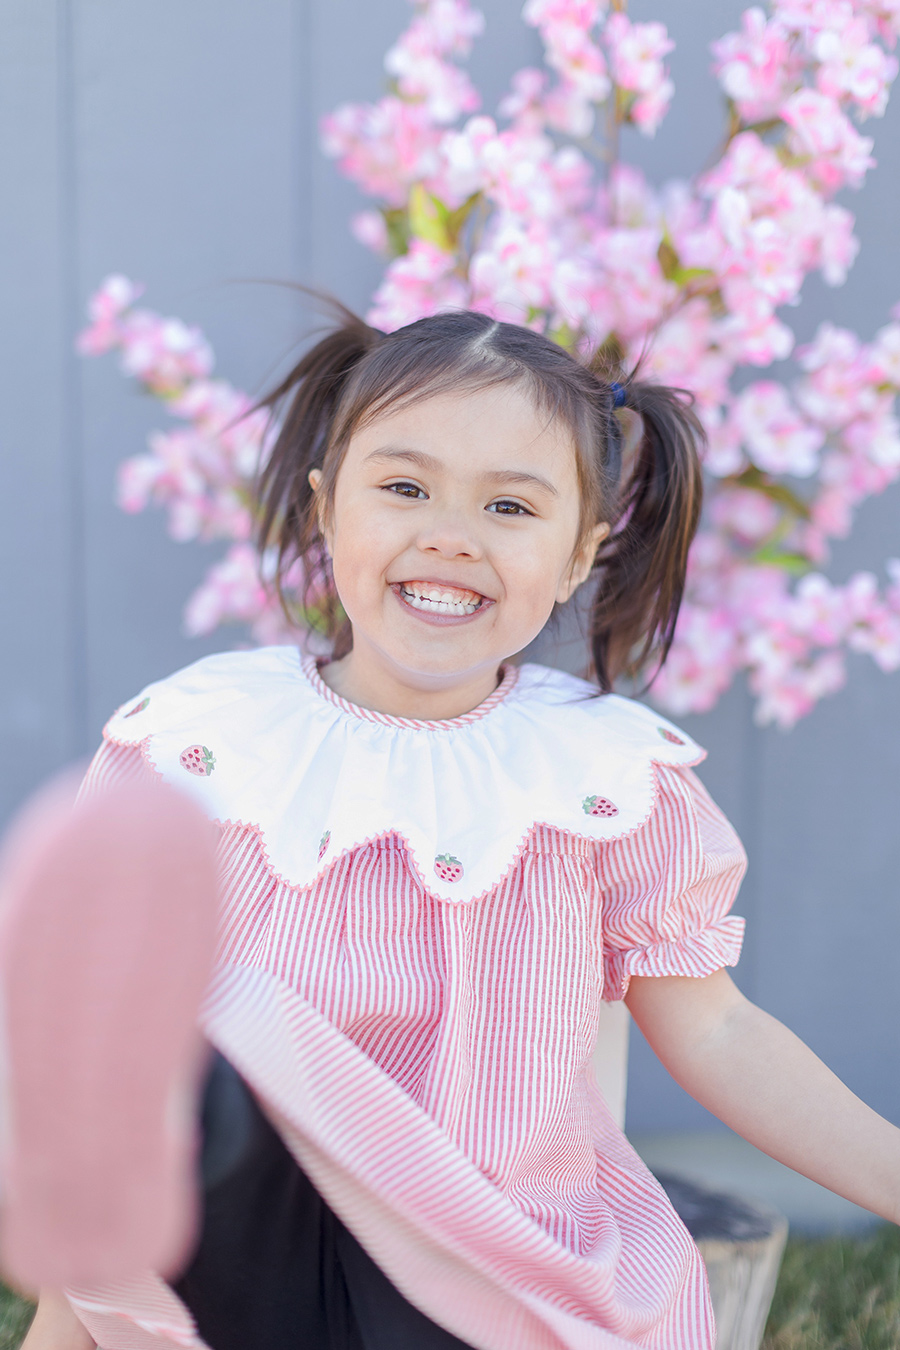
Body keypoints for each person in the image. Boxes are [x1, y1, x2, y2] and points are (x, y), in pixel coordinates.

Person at [7, 308, 900, 1350]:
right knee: (165, 1026)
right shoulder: (202, 744)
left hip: (481, 1261)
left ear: (578, 556)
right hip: (247, 1240)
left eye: (512, 505)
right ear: (325, 511)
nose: (449, 534)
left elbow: (717, 1028)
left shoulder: (604, 781)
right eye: (402, 488)